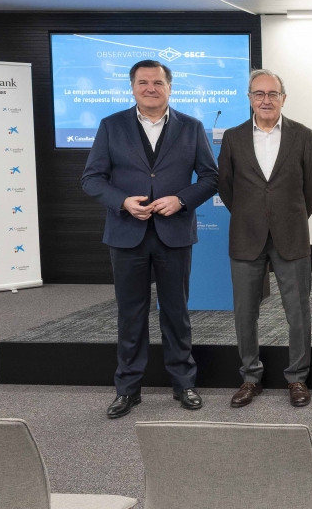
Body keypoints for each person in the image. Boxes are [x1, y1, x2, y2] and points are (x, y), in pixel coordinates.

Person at [81, 59, 218, 419]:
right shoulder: (111, 126)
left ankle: (184, 383)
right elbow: (92, 178)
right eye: (143, 82)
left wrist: (181, 199)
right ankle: (127, 389)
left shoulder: (192, 127)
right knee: (130, 315)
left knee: (176, 313)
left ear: (170, 87)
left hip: (174, 234)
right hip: (127, 234)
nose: (150, 88)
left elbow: (210, 177)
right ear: (132, 87)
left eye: (157, 82)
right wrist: (122, 202)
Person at [218, 69, 312, 409]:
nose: (266, 100)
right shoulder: (233, 137)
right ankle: (250, 377)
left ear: (283, 98)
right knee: (245, 312)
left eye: (272, 94)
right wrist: (254, 216)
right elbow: (226, 187)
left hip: (291, 234)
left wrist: (289, 217)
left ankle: (297, 378)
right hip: (246, 236)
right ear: (249, 98)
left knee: (298, 311)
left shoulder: (302, 135)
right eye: (259, 94)